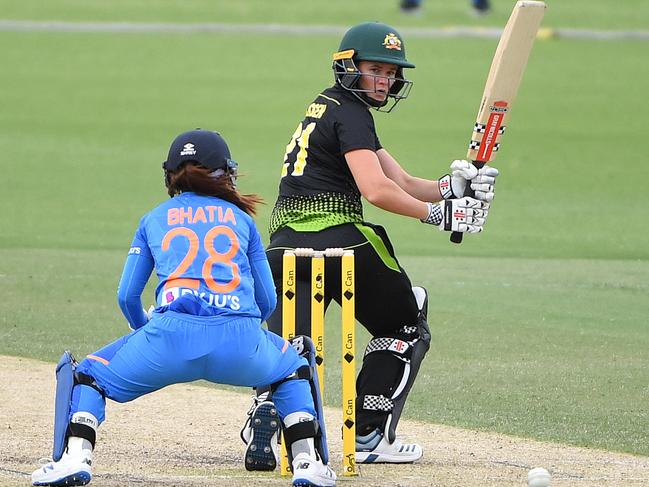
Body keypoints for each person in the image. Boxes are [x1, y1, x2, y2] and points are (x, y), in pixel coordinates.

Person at [241, 21, 498, 468]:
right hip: (342, 241)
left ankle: (272, 416)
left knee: (290, 347)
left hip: (282, 249)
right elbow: (377, 191)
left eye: (391, 72)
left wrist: (452, 187)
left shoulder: (327, 107)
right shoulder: (352, 113)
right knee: (404, 321)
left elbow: (402, 182)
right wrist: (440, 216)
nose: (385, 80)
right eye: (375, 70)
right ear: (349, 68)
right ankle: (368, 433)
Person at [31, 129, 336, 487]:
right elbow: (268, 300)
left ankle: (75, 458)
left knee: (88, 376)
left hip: (167, 340)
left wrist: (143, 328)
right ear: (225, 173)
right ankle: (307, 462)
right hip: (242, 345)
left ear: (170, 175)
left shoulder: (154, 218)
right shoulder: (242, 220)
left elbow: (127, 295)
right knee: (294, 367)